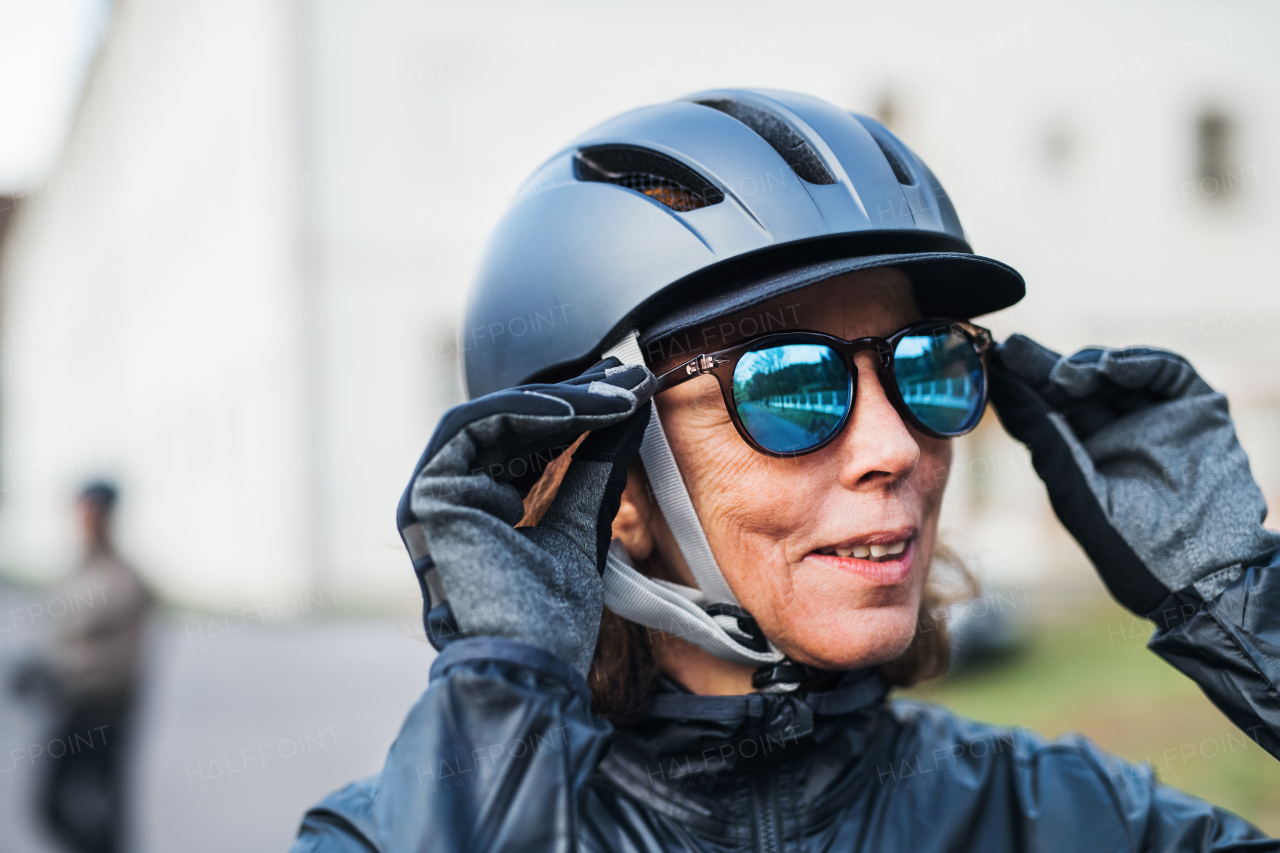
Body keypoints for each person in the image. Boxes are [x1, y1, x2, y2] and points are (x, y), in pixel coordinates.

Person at [292, 90, 1280, 851]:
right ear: (609, 489)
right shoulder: (393, 833)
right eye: (790, 385)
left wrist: (1243, 610)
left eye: (925, 365)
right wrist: (501, 715)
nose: (896, 448)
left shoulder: (1064, 818)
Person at [22, 482, 152, 853]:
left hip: (103, 713)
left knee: (102, 812)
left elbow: (116, 657)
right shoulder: (79, 571)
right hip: (71, 707)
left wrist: (64, 673)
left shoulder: (123, 580)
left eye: (92, 514)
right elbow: (62, 639)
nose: (84, 523)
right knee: (50, 807)